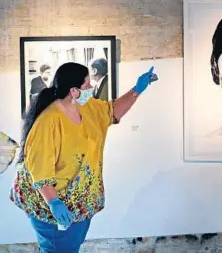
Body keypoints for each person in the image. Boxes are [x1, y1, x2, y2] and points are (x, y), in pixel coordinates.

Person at [9, 62, 155, 252]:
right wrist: (54, 202)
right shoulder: (49, 120)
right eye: (87, 85)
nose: (92, 87)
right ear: (74, 90)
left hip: (78, 201)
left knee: (71, 247)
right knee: (58, 249)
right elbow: (39, 166)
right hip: (49, 202)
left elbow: (111, 112)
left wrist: (137, 90)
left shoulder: (86, 107)